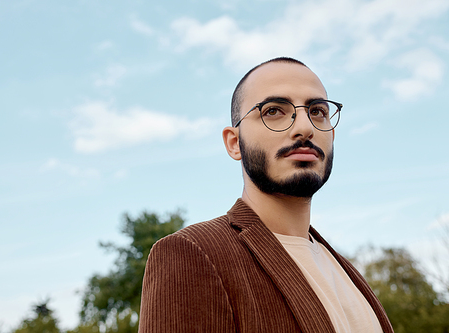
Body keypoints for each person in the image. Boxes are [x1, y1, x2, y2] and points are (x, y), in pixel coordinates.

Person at [138, 57, 393, 332]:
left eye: (317, 111)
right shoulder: (192, 254)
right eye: (273, 111)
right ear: (234, 143)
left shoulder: (346, 273)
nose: (305, 127)